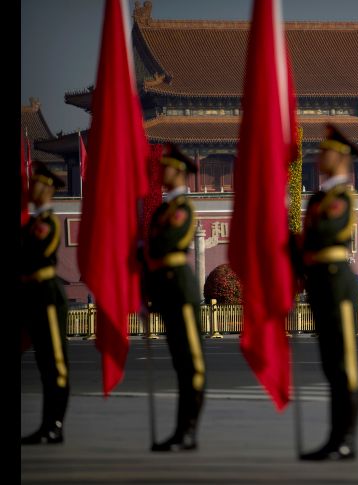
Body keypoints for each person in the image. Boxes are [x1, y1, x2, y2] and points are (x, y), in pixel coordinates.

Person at [295, 124, 358, 461]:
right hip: (319, 282)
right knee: (330, 365)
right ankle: (334, 438)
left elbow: (325, 232)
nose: (319, 157)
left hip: (337, 282)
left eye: (325, 152)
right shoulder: (318, 198)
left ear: (340, 157)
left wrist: (299, 244)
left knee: (344, 365)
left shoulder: (343, 198)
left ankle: (344, 440)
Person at [144, 143, 206, 452]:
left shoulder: (184, 209)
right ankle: (179, 430)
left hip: (181, 290)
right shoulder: (161, 212)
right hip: (166, 291)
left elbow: (166, 242)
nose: (162, 172)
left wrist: (145, 249)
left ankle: (187, 430)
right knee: (179, 363)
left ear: (179, 171)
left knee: (191, 364)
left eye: (166, 167)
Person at [21, 162, 69, 445]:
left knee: (54, 363)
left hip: (47, 296)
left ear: (48, 189)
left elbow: (34, 256)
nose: (32, 188)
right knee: (42, 363)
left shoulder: (47, 223)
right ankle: (46, 424)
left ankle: (54, 425)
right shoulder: (31, 224)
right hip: (31, 296)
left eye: (37, 183)